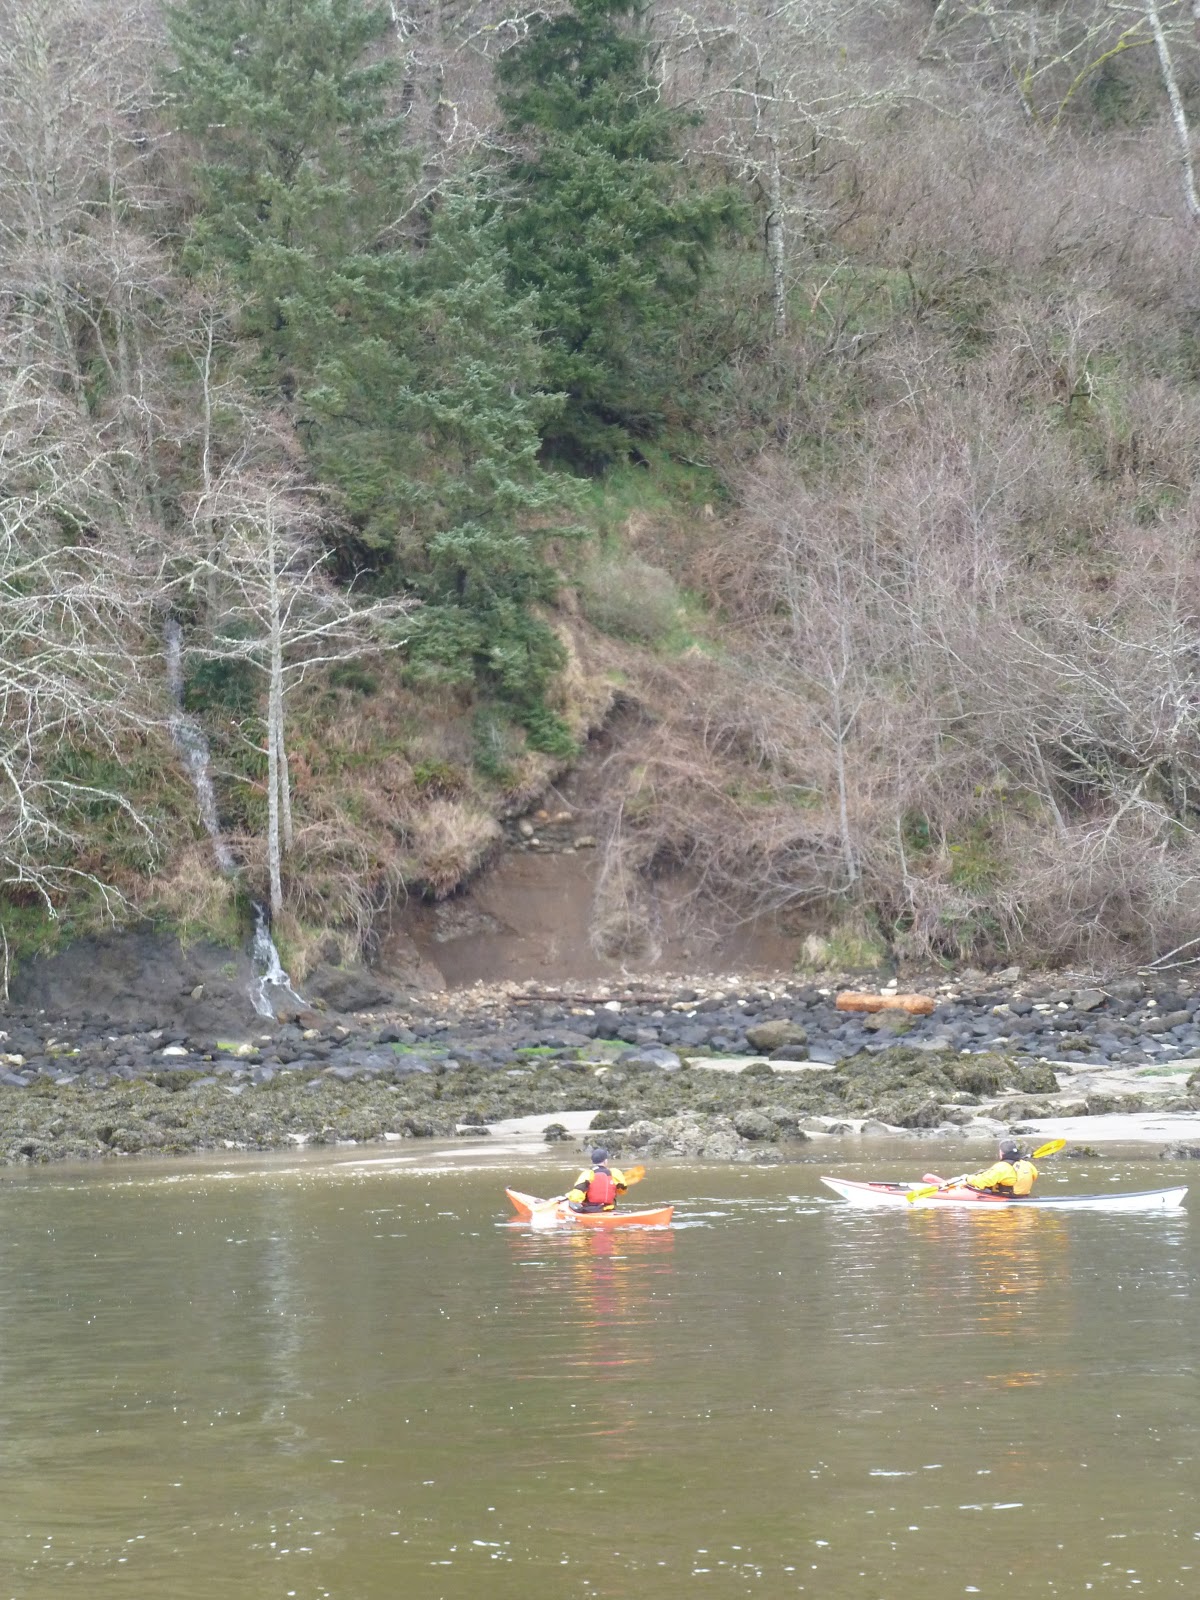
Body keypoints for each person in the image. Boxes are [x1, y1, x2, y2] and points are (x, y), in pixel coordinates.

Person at [962, 1137, 1038, 1197]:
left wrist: (968, 1178)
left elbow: (983, 1182)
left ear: (1001, 1153)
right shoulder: (1027, 1164)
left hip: (1006, 1197)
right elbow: (1034, 1176)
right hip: (1023, 1196)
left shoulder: (1002, 1167)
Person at [566, 1148, 628, 1213]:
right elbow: (622, 1191)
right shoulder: (615, 1173)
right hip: (608, 1209)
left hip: (590, 1210)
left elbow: (576, 1197)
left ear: (592, 1161)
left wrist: (570, 1197)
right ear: (605, 1161)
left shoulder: (587, 1174)